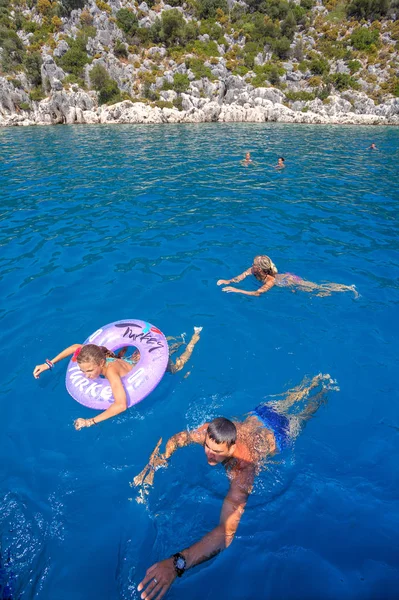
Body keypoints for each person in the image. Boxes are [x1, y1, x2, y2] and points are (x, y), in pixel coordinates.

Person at [134, 374, 335, 600]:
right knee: (290, 397)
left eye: (217, 453)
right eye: (207, 447)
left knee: (303, 412)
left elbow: (227, 533)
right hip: (261, 414)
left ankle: (323, 391)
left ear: (232, 446)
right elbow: (178, 438)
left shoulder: (243, 471)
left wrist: (176, 565)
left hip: (280, 433)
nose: (209, 455)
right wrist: (159, 461)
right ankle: (314, 380)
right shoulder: (209, 433)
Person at [33, 327, 203, 430]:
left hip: (150, 367)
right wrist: (49, 364)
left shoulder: (111, 372)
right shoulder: (96, 353)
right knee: (164, 348)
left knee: (176, 367)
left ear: (101, 363)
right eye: (83, 371)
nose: (86, 376)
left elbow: (121, 405)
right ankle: (174, 341)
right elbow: (76, 347)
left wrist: (90, 421)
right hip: (130, 360)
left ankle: (193, 341)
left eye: (90, 371)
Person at [217, 255, 358, 298]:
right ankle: (338, 289)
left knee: (316, 289)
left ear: (259, 268)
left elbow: (257, 293)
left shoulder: (271, 280)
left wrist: (237, 290)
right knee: (316, 291)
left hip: (289, 281)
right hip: (284, 280)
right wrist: (228, 281)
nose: (251, 265)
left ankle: (346, 288)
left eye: (253, 264)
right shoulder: (252, 270)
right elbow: (240, 277)